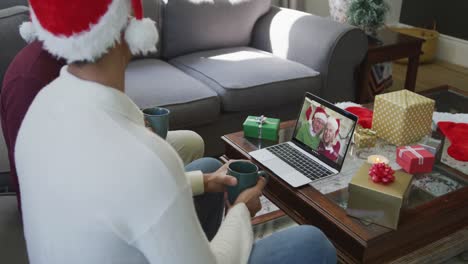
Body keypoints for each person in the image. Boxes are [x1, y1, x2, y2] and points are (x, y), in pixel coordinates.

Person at [14, 0, 337, 263]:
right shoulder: (145, 160)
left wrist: (202, 182)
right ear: (128, 25)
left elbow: (106, 193)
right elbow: (133, 183)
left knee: (210, 169)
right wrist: (240, 213)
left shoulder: (40, 107)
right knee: (312, 242)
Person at [1, 41, 204, 215]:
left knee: (191, 142)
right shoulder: (29, 81)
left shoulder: (77, 54)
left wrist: (132, 126)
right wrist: (200, 181)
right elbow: (55, 180)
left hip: (98, 156)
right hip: (68, 202)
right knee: (208, 171)